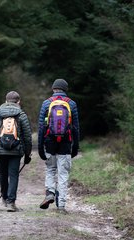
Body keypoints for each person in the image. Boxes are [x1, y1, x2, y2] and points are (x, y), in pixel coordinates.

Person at [0, 91, 32, 212]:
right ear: (18, 101)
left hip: (1, 150)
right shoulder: (21, 115)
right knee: (13, 175)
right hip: (16, 151)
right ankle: (11, 203)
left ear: (5, 101)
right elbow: (27, 137)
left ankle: (4, 200)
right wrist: (27, 154)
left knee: (3, 174)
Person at [37, 79, 80, 213]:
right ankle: (61, 206)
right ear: (65, 89)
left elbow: (41, 127)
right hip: (66, 143)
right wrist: (75, 147)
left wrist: (40, 147)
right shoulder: (71, 104)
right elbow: (76, 128)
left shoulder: (46, 103)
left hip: (50, 142)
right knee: (63, 174)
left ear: (53, 89)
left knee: (50, 170)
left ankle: (50, 193)